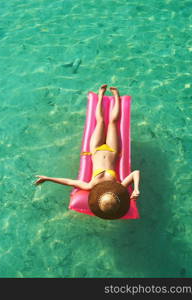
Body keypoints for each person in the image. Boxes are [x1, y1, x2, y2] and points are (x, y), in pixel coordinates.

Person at [35, 84, 140, 219]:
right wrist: (136, 188)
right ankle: (116, 96)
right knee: (113, 121)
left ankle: (101, 96)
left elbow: (70, 182)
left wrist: (48, 178)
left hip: (95, 150)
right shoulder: (119, 187)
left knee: (100, 121)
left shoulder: (91, 185)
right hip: (112, 150)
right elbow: (136, 173)